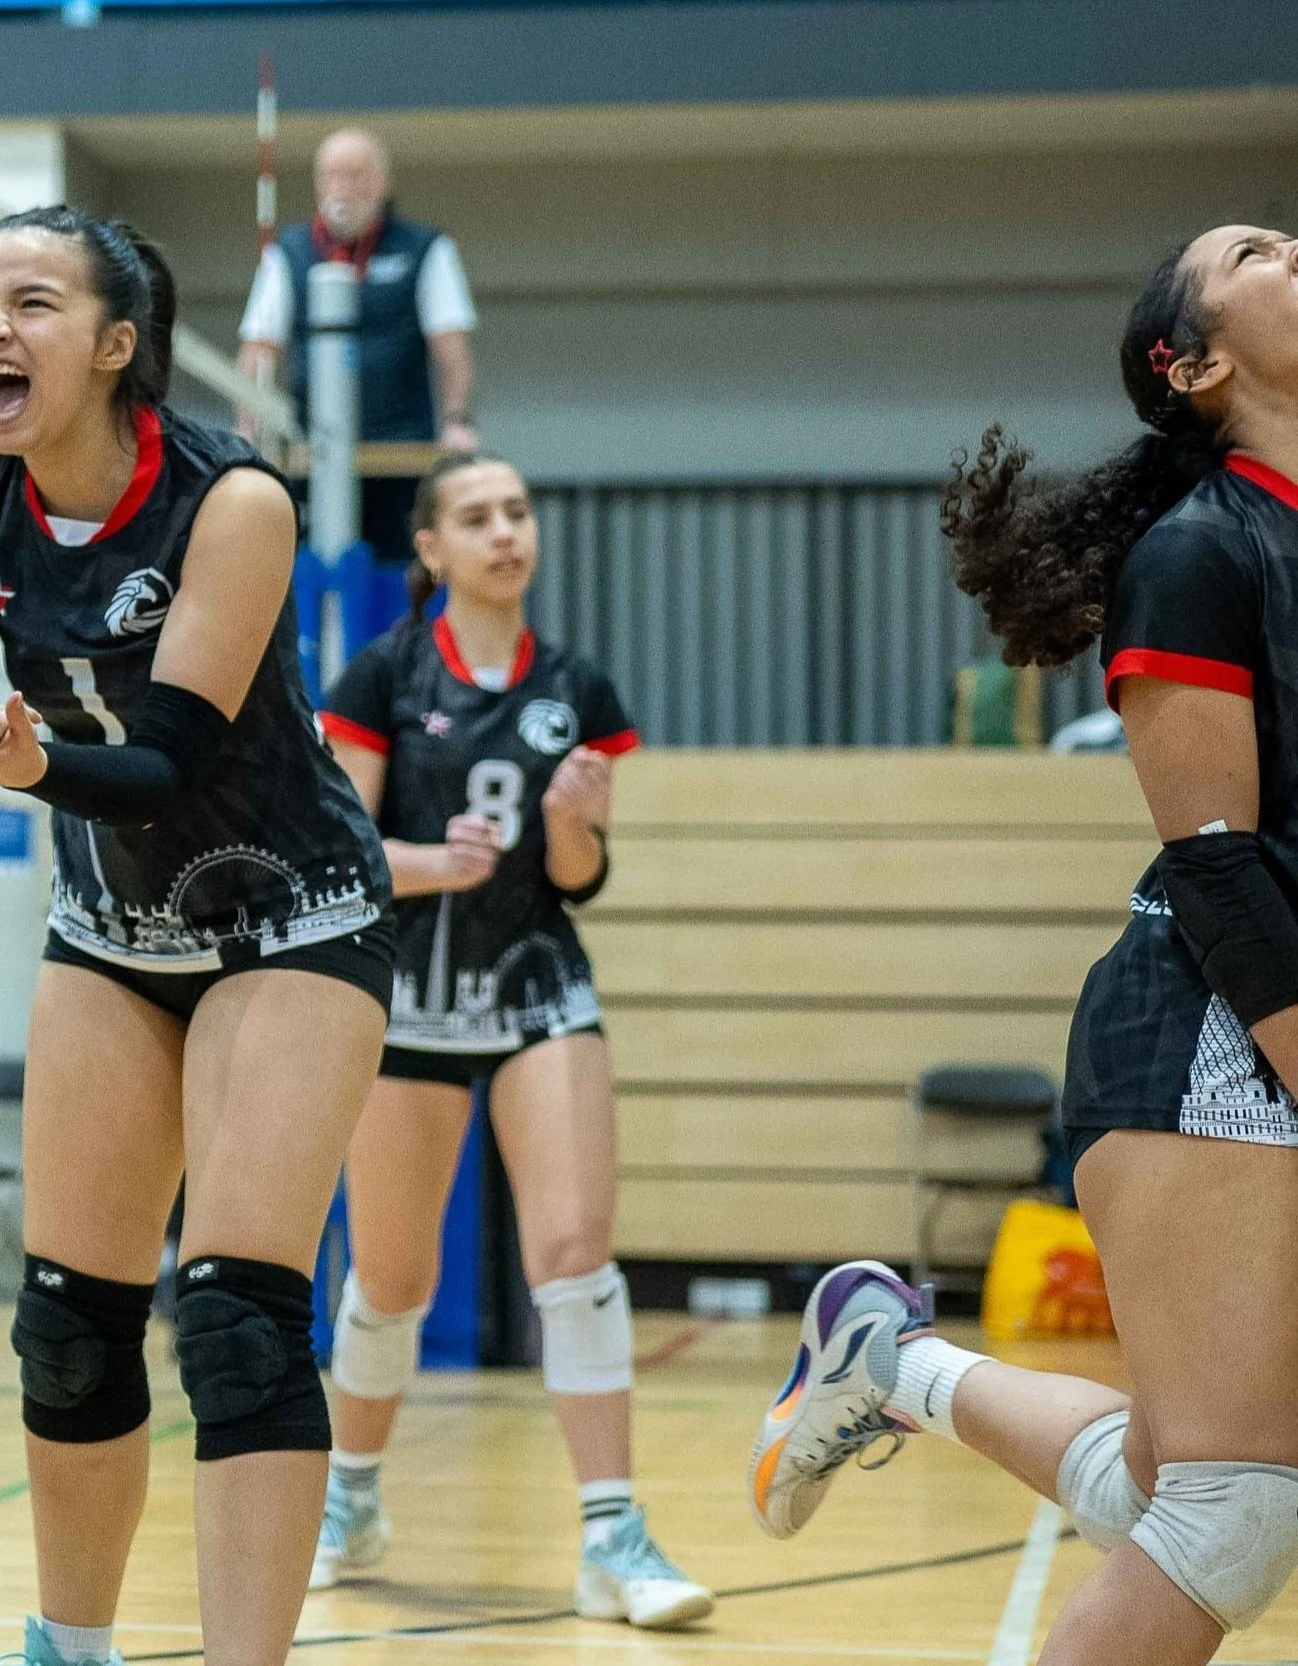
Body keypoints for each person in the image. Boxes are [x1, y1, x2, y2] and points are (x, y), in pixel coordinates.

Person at [751, 224, 1298, 1666]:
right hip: (1217, 1027)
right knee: (1233, 1513)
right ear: (1197, 364)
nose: (1294, 243)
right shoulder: (1197, 555)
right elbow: (1219, 869)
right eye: (1256, 248)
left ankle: (894, 1362)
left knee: (1181, 1489)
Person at [0, 203, 395, 1666]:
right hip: (111, 929)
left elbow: (160, 760)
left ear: (117, 345)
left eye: (30, 304)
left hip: (290, 916)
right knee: (68, 1321)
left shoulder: (235, 500)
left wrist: (11, 759)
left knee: (231, 1317)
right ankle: (71, 1646)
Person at [311, 454, 709, 1626]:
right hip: (412, 997)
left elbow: (579, 878)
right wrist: (437, 861)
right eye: (476, 517)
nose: (504, 532)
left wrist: (569, 827)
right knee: (391, 1278)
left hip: (536, 980)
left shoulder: (578, 687)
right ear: (429, 548)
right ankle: (351, 1496)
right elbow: (346, 857)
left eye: (518, 512)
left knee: (576, 1252)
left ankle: (611, 1535)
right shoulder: (383, 673)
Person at [235, 128, 478, 568]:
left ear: (383, 182)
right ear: (317, 183)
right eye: (333, 175)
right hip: (313, 453)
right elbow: (259, 349)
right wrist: (248, 429)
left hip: (401, 454)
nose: (344, 187)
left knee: (402, 572)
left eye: (357, 174)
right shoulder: (286, 252)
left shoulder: (425, 248)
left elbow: (451, 348)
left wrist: (456, 421)